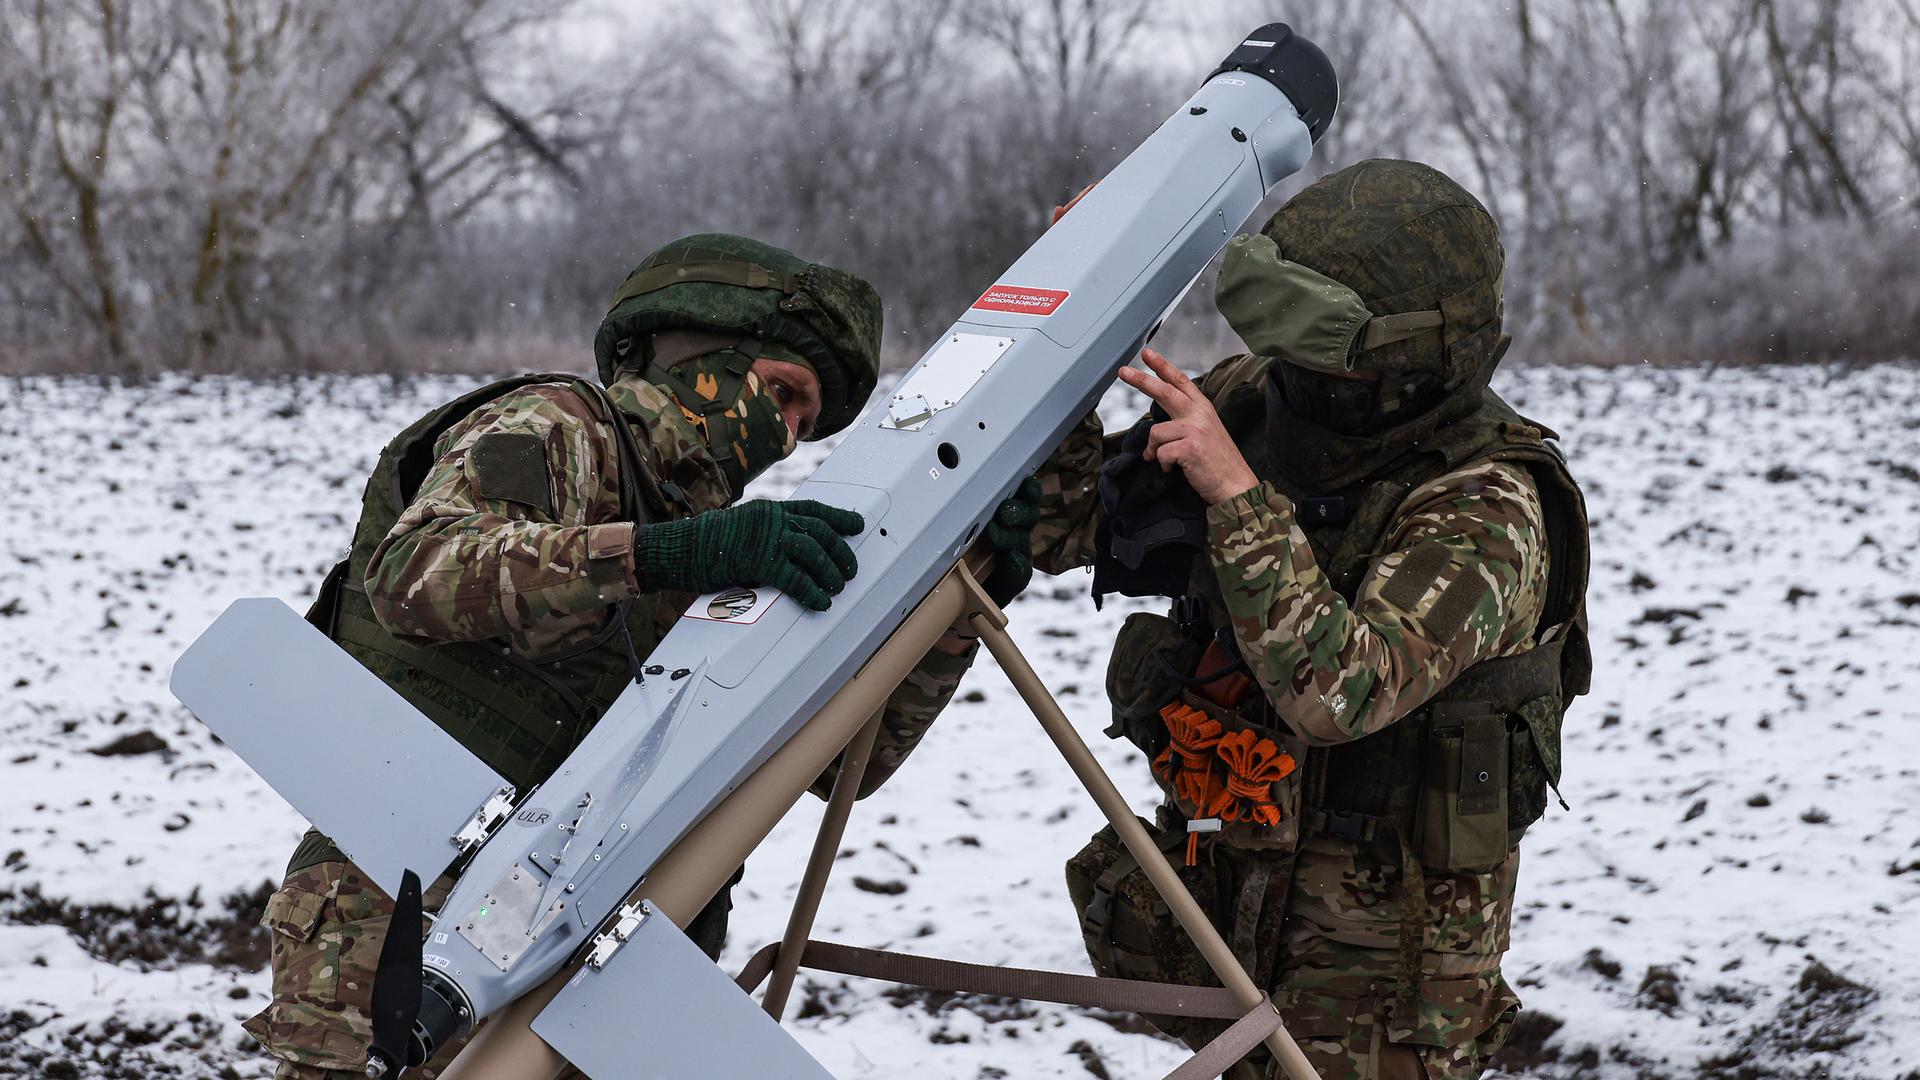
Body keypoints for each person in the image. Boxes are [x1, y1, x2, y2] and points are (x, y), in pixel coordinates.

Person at [244, 233, 1041, 1079]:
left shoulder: (728, 549)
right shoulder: (561, 427)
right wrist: (661, 558)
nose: (788, 434)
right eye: (783, 392)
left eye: (808, 424)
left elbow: (846, 759)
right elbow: (419, 572)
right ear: (702, 353)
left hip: (591, 966)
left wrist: (957, 609)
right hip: (403, 925)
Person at [1034, 160, 1592, 1079]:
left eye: (1327, 357)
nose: (1300, 378)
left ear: (1412, 354)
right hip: (1231, 903)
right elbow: (1068, 528)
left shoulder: (1489, 505)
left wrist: (1238, 499)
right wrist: (1086, 322)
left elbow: (1343, 691)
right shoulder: (1261, 400)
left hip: (1379, 981)